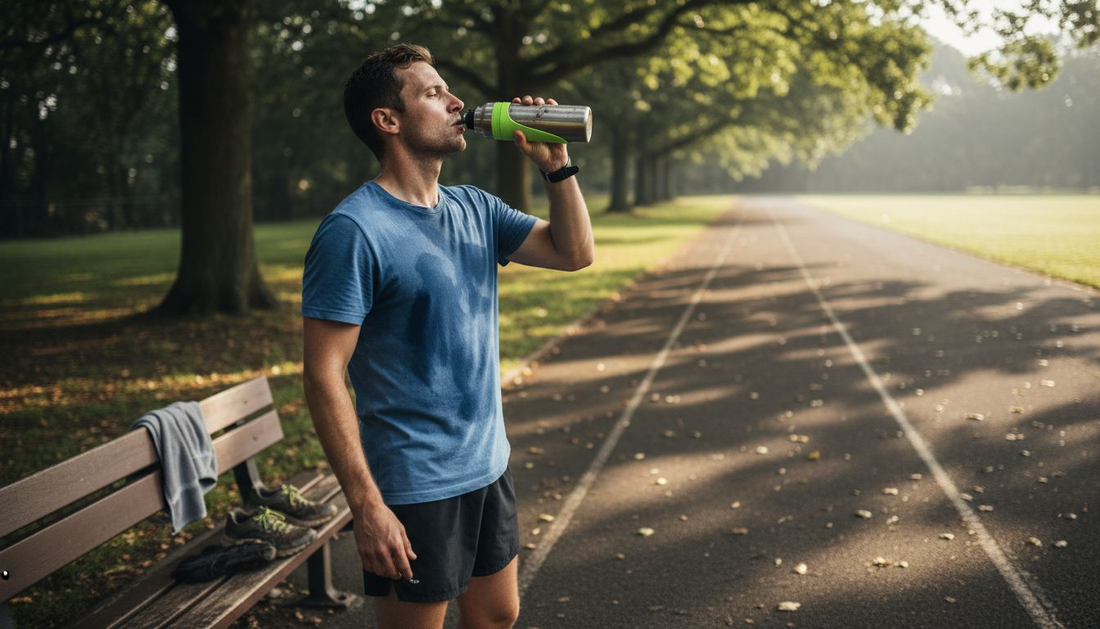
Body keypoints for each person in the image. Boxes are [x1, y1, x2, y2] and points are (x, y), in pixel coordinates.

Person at [301, 44, 593, 629]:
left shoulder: (475, 207)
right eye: (434, 93)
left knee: (497, 617)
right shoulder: (354, 231)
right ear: (388, 120)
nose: (457, 102)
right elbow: (322, 374)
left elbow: (574, 252)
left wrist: (556, 165)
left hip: (487, 464)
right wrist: (366, 505)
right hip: (415, 482)